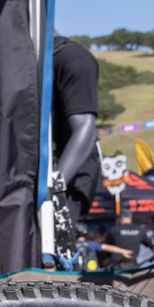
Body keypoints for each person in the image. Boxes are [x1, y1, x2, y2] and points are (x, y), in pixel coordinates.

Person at [50, 37, 101, 246]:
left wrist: (54, 185)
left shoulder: (71, 58)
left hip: (63, 181)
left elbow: (85, 129)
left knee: (49, 249)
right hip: (28, 180)